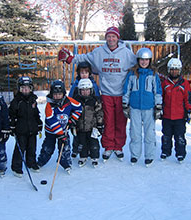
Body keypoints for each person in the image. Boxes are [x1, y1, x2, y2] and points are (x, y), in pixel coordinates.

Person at [58, 26, 136, 161]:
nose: (111, 39)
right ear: (106, 38)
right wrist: (71, 59)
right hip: (106, 93)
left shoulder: (126, 53)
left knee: (121, 122)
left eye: (114, 36)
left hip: (121, 93)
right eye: (109, 36)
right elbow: (84, 57)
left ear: (118, 38)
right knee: (108, 121)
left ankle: (118, 146)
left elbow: (139, 63)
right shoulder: (99, 52)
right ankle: (108, 146)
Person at [122, 48, 162, 167]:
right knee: (135, 132)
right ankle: (135, 155)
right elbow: (126, 89)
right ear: (138, 60)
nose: (144, 62)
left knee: (149, 133)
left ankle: (149, 156)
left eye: (146, 60)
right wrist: (125, 103)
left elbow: (158, 91)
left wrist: (158, 106)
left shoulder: (154, 75)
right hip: (135, 108)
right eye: (141, 60)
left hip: (149, 108)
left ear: (149, 61)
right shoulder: (132, 74)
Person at [37, 80, 82, 174]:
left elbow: (78, 107)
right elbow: (51, 120)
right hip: (51, 132)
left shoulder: (69, 101)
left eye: (59, 94)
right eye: (55, 94)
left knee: (65, 147)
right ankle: (41, 161)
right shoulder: (49, 105)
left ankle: (66, 163)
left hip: (64, 131)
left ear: (64, 94)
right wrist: (60, 134)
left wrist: (73, 119)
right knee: (47, 148)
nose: (57, 96)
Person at [9, 76, 43, 178]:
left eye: (27, 88)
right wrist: (12, 126)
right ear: (19, 89)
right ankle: (16, 167)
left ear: (31, 89)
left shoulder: (33, 100)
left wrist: (39, 122)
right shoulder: (16, 101)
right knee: (20, 149)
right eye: (23, 88)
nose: (25, 90)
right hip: (21, 130)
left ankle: (31, 163)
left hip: (32, 129)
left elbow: (36, 113)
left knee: (32, 148)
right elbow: (11, 115)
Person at [160, 58, 191, 163]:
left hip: (179, 116)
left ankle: (180, 153)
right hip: (167, 115)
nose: (174, 72)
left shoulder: (184, 84)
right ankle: (166, 151)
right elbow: (161, 97)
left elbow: (188, 98)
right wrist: (160, 109)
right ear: (169, 70)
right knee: (166, 135)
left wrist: (188, 111)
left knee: (180, 136)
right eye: (172, 70)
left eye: (176, 70)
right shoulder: (165, 83)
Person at [68, 61, 100, 158]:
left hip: (89, 111)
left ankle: (90, 150)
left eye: (86, 72)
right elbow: (70, 97)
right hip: (78, 111)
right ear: (79, 73)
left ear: (89, 73)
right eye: (82, 72)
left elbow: (97, 96)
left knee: (89, 133)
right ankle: (76, 148)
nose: (84, 74)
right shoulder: (76, 84)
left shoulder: (93, 84)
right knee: (77, 133)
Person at [72, 78, 104, 168]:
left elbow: (99, 113)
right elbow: (72, 113)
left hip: (92, 127)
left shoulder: (95, 100)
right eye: (83, 90)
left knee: (93, 143)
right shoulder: (76, 101)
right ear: (79, 91)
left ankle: (94, 157)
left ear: (91, 90)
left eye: (87, 90)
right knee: (82, 143)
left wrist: (100, 124)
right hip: (80, 127)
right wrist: (73, 124)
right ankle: (83, 156)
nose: (85, 92)